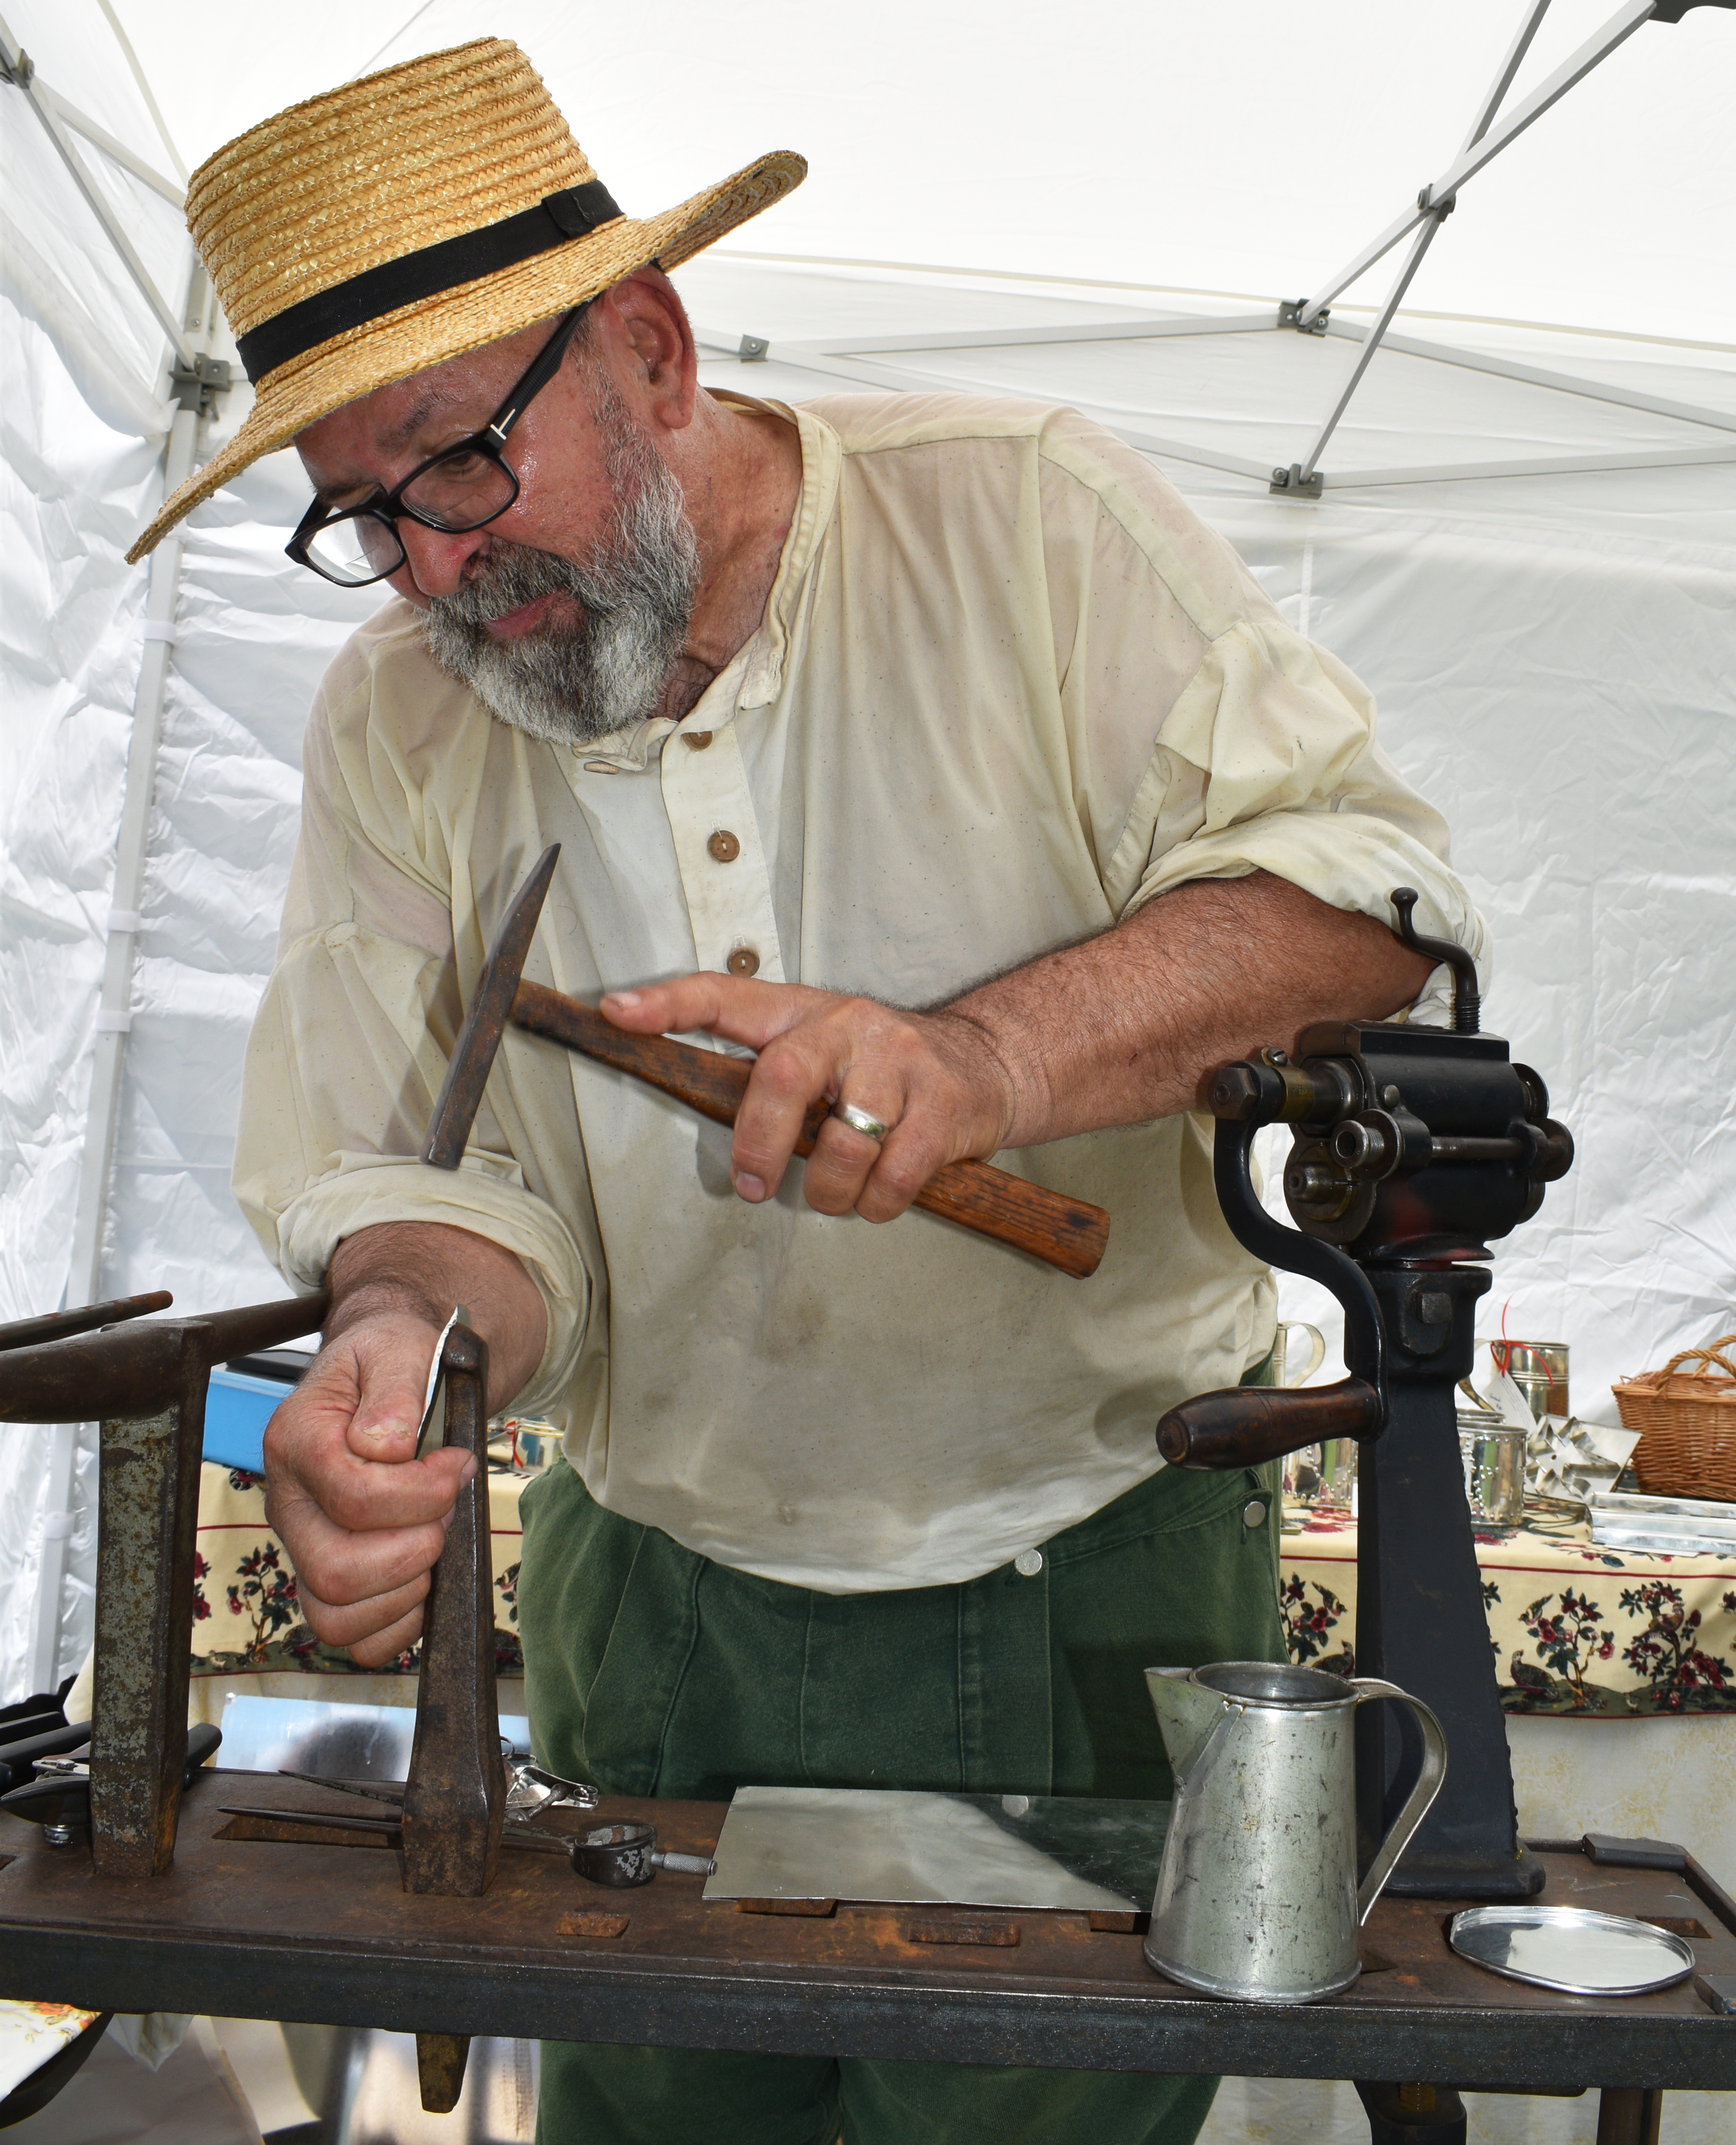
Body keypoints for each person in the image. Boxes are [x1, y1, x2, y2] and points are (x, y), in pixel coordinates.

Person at [131, 37, 1482, 2145]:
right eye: (356, 511)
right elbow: (424, 1168)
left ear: (648, 351)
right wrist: (400, 1344)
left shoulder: (1025, 517)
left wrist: (986, 1057)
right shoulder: (402, 718)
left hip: (1086, 1560)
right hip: (646, 1586)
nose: (421, 571)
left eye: (456, 468)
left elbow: (1361, 904)